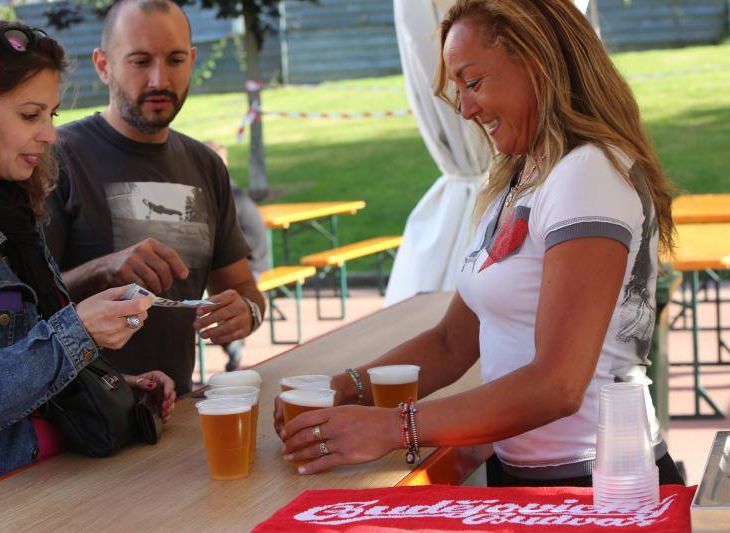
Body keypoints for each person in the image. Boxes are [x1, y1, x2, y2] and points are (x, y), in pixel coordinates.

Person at [277, 0, 684, 487]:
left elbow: (557, 386)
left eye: (473, 83)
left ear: (538, 63)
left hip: (597, 486)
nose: (466, 109)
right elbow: (452, 342)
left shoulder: (588, 172)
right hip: (535, 481)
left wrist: (392, 427)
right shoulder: (520, 178)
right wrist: (343, 390)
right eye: (459, 91)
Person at [0, 20, 176, 487]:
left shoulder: (14, 215)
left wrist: (111, 384)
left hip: (59, 487)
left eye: (52, 115)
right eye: (30, 115)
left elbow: (19, 363)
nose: (49, 135)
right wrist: (76, 333)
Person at [45, 0, 265, 396]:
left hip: (171, 409)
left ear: (192, 61)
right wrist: (101, 270)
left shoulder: (206, 164)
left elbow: (243, 287)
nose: (159, 79)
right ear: (103, 65)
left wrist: (246, 312)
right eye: (140, 61)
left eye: (175, 60)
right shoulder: (55, 157)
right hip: (78, 426)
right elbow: (21, 307)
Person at [204, 140, 270, 371]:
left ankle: (234, 350)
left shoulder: (227, 194)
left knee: (216, 303)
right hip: (255, 259)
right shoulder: (230, 189)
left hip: (252, 263)